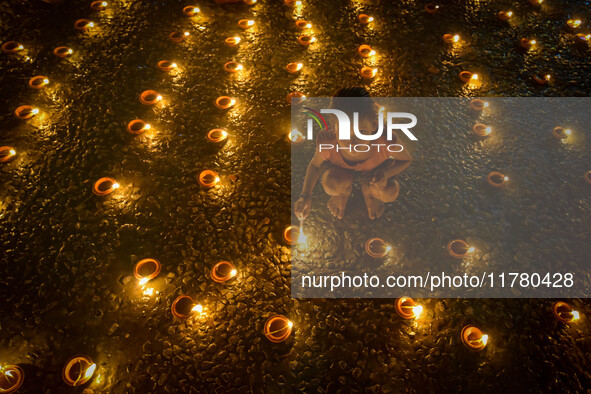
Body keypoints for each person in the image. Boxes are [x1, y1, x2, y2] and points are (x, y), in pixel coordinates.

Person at [294, 87, 412, 220]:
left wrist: (386, 173)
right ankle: (342, 193)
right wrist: (305, 196)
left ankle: (370, 192)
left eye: (362, 132)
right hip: (340, 171)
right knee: (330, 184)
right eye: (344, 133)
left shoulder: (386, 141)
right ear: (334, 127)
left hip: (373, 173)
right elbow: (315, 166)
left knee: (390, 192)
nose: (353, 142)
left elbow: (405, 160)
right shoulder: (327, 143)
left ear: (373, 125)